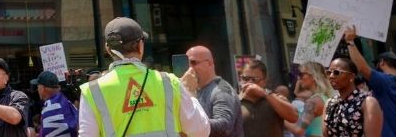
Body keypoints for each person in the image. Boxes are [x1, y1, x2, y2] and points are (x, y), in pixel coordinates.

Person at [78, 17, 209, 137]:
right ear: (141, 46)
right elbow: (200, 131)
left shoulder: (92, 91)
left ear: (108, 49)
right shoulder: (168, 82)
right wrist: (191, 93)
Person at [342, 26, 396, 137]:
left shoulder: (385, 81)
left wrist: (350, 41)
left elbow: (362, 68)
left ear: (381, 63)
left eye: (376, 64)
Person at [184, 45, 243, 137]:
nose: (189, 68)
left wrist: (189, 127)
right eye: (187, 64)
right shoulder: (196, 89)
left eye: (193, 62)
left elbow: (224, 127)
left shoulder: (221, 91)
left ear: (210, 63)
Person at [323, 57, 382, 137]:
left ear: (351, 77)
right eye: (329, 72)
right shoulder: (329, 103)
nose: (331, 76)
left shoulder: (367, 102)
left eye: (336, 72)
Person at [240, 59, 299, 136]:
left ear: (264, 82)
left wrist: (265, 94)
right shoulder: (234, 101)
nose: (250, 83)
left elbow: (294, 117)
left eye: (255, 79)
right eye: (245, 79)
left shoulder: (275, 98)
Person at [288, 62, 332, 137]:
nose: (299, 78)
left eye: (301, 75)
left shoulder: (313, 102)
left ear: (313, 77)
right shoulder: (324, 97)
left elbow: (298, 130)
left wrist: (281, 117)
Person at [30, 71, 77, 137]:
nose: (37, 89)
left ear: (42, 88)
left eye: (38, 87)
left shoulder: (50, 109)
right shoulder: (66, 101)